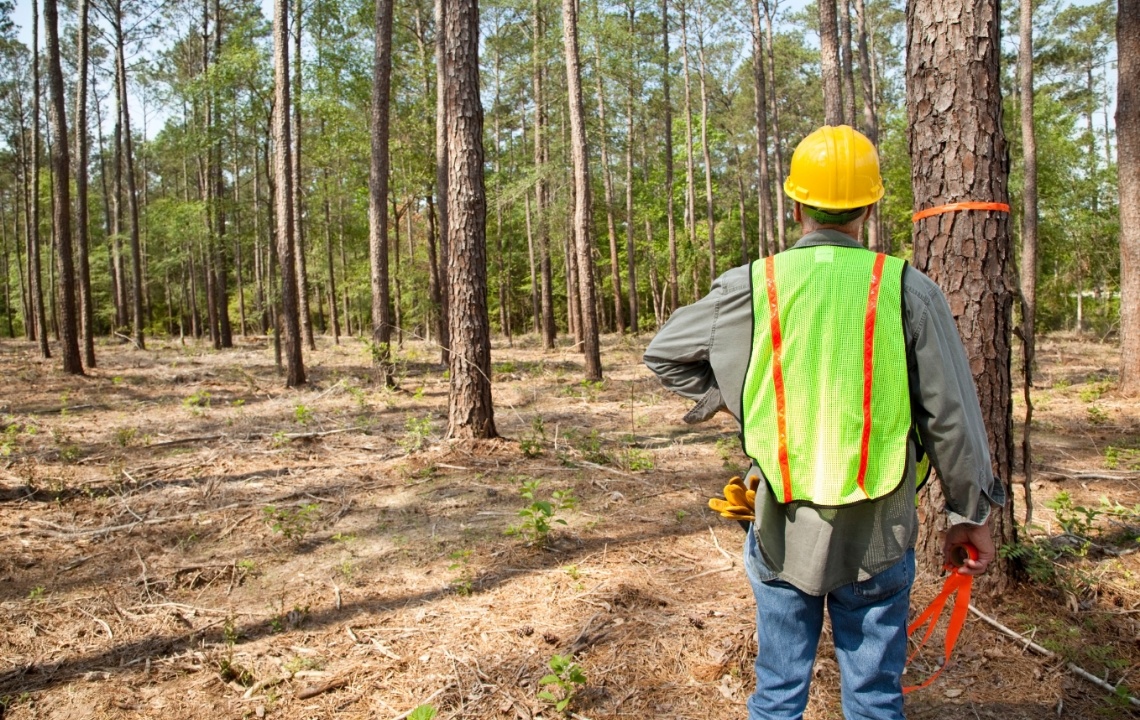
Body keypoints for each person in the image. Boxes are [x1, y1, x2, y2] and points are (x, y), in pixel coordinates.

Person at [643, 125, 1005, 720]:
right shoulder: (907, 290)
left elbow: (664, 352)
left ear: (795, 205)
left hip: (780, 527)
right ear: (869, 205)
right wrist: (970, 516)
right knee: (873, 699)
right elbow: (953, 420)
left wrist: (735, 398)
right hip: (880, 534)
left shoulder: (751, 287)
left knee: (779, 695)